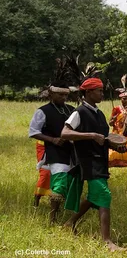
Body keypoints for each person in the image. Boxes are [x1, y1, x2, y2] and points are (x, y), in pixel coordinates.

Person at [61, 77, 125, 251]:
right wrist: (90, 135)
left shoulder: (99, 113)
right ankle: (107, 242)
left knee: (93, 197)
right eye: (99, 91)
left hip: (100, 160)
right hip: (87, 161)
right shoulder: (79, 112)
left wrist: (114, 146)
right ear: (88, 92)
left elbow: (102, 138)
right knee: (104, 195)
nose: (102, 94)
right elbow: (65, 133)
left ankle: (70, 223)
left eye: (102, 91)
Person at [29, 81, 75, 222]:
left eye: (65, 95)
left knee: (69, 182)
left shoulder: (71, 110)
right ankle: (53, 217)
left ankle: (62, 210)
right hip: (55, 152)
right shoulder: (43, 111)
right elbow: (33, 132)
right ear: (51, 94)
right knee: (59, 183)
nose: (63, 97)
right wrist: (52, 140)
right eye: (60, 94)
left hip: (72, 152)